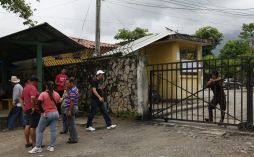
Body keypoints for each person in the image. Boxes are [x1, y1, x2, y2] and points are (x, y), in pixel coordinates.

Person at [28, 81, 61, 154]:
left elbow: (38, 103)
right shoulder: (57, 94)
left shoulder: (43, 94)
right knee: (53, 130)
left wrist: (43, 112)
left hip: (46, 114)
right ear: (53, 87)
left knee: (40, 130)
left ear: (46, 86)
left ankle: (38, 147)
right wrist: (60, 114)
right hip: (55, 113)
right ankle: (51, 147)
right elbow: (59, 105)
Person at [20, 75, 43, 148]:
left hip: (27, 108)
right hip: (33, 109)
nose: (37, 83)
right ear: (34, 82)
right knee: (33, 126)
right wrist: (33, 107)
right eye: (37, 82)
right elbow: (33, 98)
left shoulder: (25, 88)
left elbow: (21, 98)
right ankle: (34, 143)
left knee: (28, 125)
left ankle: (27, 142)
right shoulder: (33, 88)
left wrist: (23, 107)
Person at [63, 78, 79, 143]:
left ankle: (74, 139)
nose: (66, 85)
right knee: (71, 123)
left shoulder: (72, 90)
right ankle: (73, 136)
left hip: (71, 108)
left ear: (71, 83)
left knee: (71, 124)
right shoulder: (73, 88)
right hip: (72, 107)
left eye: (68, 83)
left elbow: (72, 101)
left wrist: (69, 111)